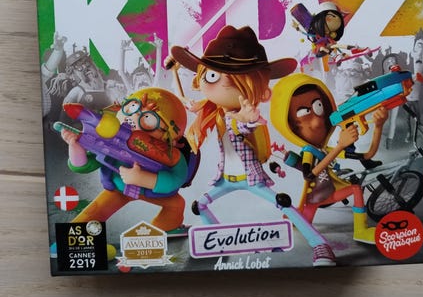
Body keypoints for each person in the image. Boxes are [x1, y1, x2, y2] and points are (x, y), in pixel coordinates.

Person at [170, 25, 337, 266]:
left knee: (284, 204)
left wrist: (248, 119)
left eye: (232, 79)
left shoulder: (239, 117)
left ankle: (320, 245)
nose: (217, 83)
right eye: (211, 75)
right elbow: (186, 101)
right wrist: (175, 72)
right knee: (201, 205)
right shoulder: (213, 112)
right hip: (226, 178)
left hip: (251, 178)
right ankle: (216, 241)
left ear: (262, 92)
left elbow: (246, 126)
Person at [270, 73, 388, 245]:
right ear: (292, 127)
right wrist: (340, 145)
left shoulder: (325, 150)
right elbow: (309, 175)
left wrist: (378, 126)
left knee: (351, 191)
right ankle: (359, 230)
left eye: (319, 108)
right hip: (317, 196)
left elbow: (368, 155)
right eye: (305, 113)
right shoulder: (309, 152)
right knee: (307, 220)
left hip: (324, 193)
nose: (318, 122)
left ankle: (358, 230)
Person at [60, 87, 189, 234]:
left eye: (148, 118)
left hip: (152, 193)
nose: (134, 117)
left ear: (171, 138)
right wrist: (75, 146)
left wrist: (143, 178)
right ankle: (74, 240)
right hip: (118, 188)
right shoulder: (110, 138)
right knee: (90, 216)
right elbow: (84, 166)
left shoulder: (170, 155)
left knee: (176, 205)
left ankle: (162, 231)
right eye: (132, 107)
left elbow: (176, 178)